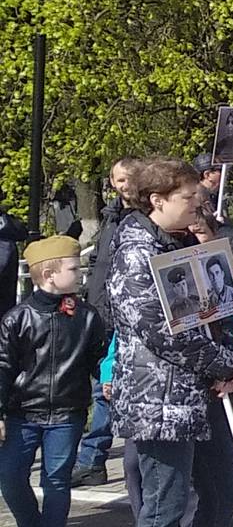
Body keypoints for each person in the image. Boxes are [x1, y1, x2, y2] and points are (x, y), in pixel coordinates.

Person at [106, 158, 233, 527]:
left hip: (201, 392)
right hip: (160, 397)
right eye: (190, 197)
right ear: (158, 200)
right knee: (164, 504)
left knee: (227, 486)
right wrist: (223, 364)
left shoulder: (183, 243)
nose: (199, 205)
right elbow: (161, 329)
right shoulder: (134, 252)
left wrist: (232, 358)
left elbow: (219, 308)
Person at [0, 236, 111, 527]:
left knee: (56, 481)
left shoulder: (86, 317)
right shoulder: (17, 319)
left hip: (67, 413)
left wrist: (107, 378)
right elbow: (3, 367)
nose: (80, 274)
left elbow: (99, 356)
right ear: (49, 274)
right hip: (23, 412)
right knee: (10, 476)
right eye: (73, 268)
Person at [75, 156, 140, 487]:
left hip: (127, 317)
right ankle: (93, 457)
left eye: (130, 178)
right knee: (99, 386)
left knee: (108, 390)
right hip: (101, 313)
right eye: (119, 179)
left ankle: (94, 455)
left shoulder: (143, 220)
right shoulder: (110, 219)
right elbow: (99, 266)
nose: (124, 185)